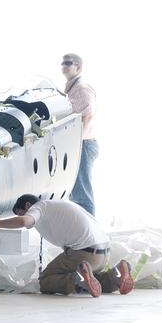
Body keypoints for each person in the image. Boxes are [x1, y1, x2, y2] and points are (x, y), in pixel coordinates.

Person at [0, 193, 133, 297]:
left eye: (21, 212)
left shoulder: (39, 207)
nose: (23, 216)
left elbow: (24, 221)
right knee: (94, 279)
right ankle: (114, 277)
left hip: (84, 253)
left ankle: (78, 280)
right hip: (103, 254)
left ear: (28, 206)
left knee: (45, 280)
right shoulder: (60, 204)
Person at [61, 53, 98, 215]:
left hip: (83, 145)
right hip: (78, 144)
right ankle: (83, 234)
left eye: (68, 63)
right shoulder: (71, 87)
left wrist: (77, 143)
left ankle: (90, 235)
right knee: (76, 193)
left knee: (82, 194)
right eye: (62, 63)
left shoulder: (81, 87)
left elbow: (88, 116)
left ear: (79, 67)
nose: (64, 66)